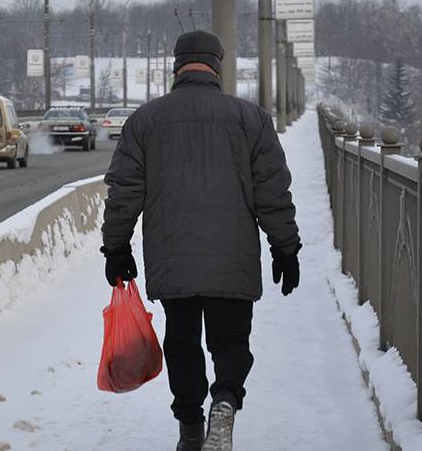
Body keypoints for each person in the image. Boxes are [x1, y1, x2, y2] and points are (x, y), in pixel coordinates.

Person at [100, 30, 302, 451]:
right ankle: (225, 400)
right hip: (232, 256)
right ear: (217, 66)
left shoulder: (144, 121)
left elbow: (124, 190)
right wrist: (285, 246)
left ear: (177, 66)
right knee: (230, 341)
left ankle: (191, 428)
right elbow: (272, 190)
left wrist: (116, 247)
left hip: (172, 256)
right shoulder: (251, 119)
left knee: (182, 341)